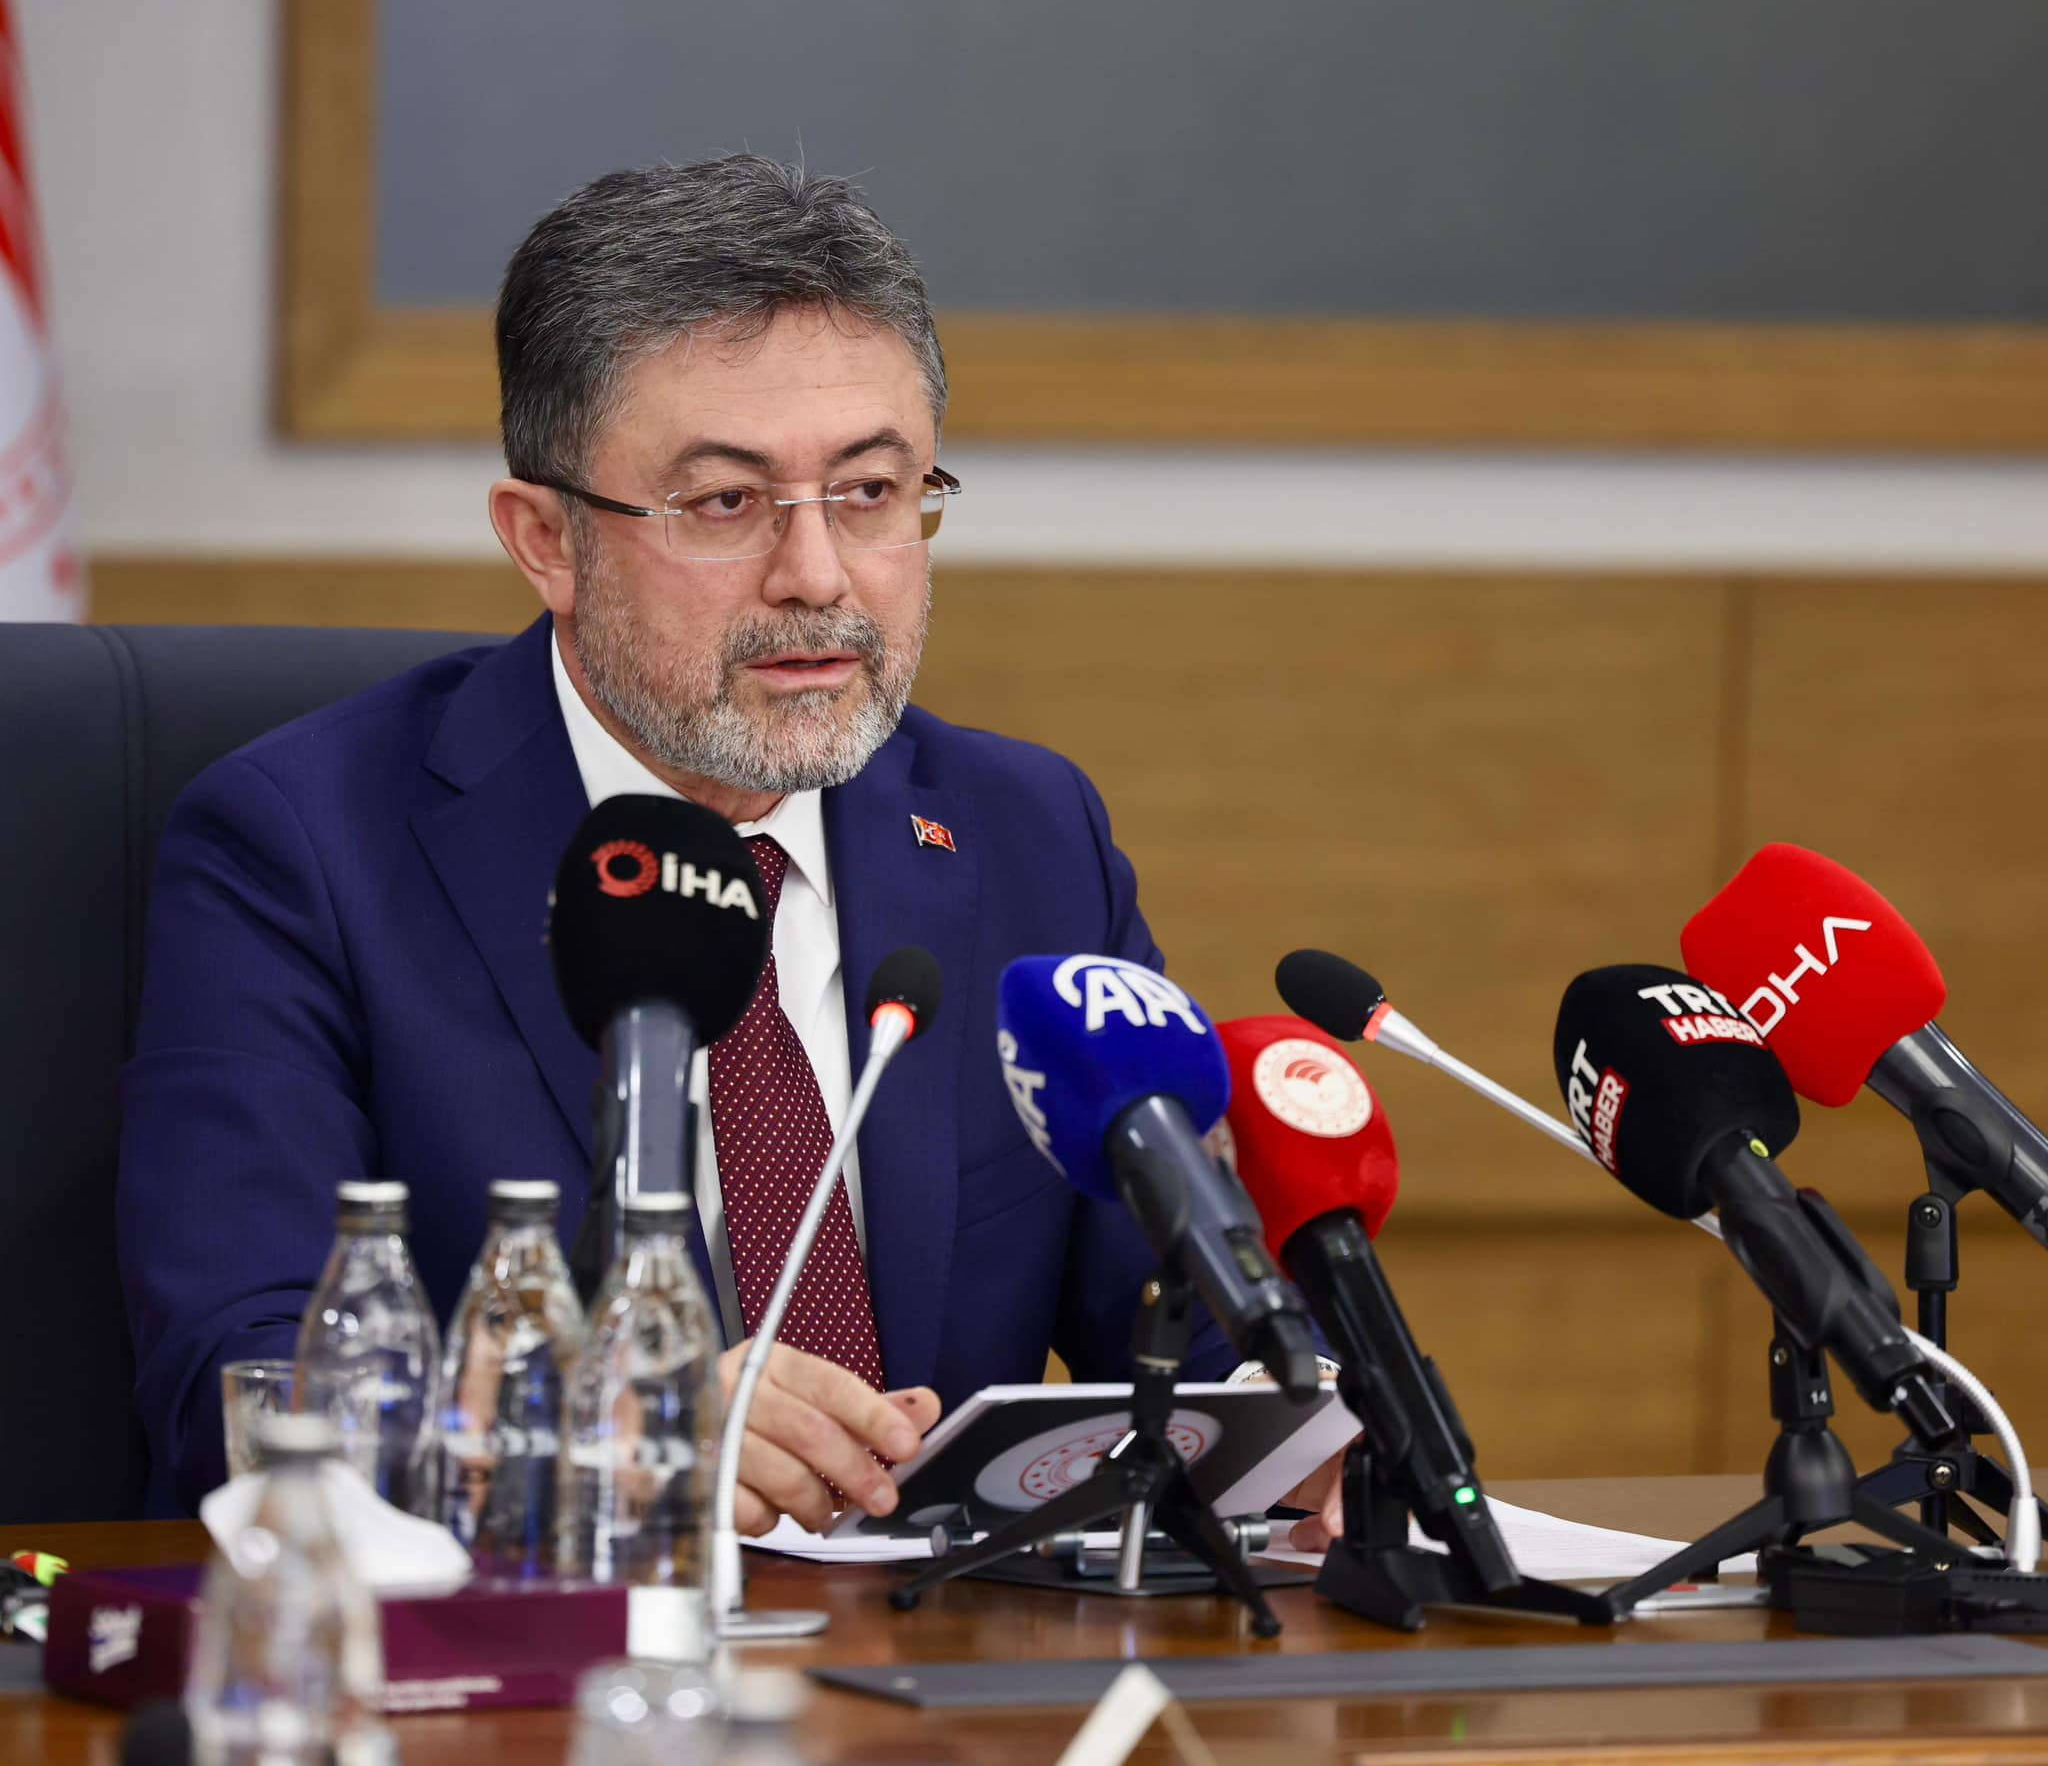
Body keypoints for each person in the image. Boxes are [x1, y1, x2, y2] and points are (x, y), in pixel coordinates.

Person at [119, 155, 1343, 1542]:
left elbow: (1193, 1317)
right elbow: (240, 1389)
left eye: (870, 491)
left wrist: (1311, 1423)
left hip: (939, 1658)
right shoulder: (301, 849)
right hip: (536, 1656)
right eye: (725, 503)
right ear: (546, 540)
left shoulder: (1026, 832)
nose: (818, 576)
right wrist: (608, 1425)